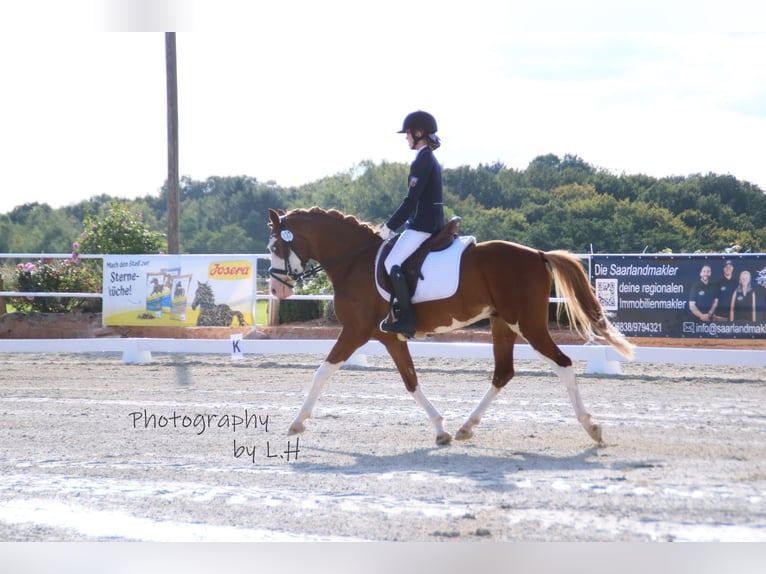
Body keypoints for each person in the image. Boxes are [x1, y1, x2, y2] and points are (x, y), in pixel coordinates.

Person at [378, 110, 444, 337]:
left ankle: (406, 318)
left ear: (419, 133)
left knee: (391, 262)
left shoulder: (422, 161)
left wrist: (389, 226)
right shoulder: (428, 159)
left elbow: (410, 200)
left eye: (408, 133)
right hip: (427, 221)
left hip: (423, 224)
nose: (406, 138)